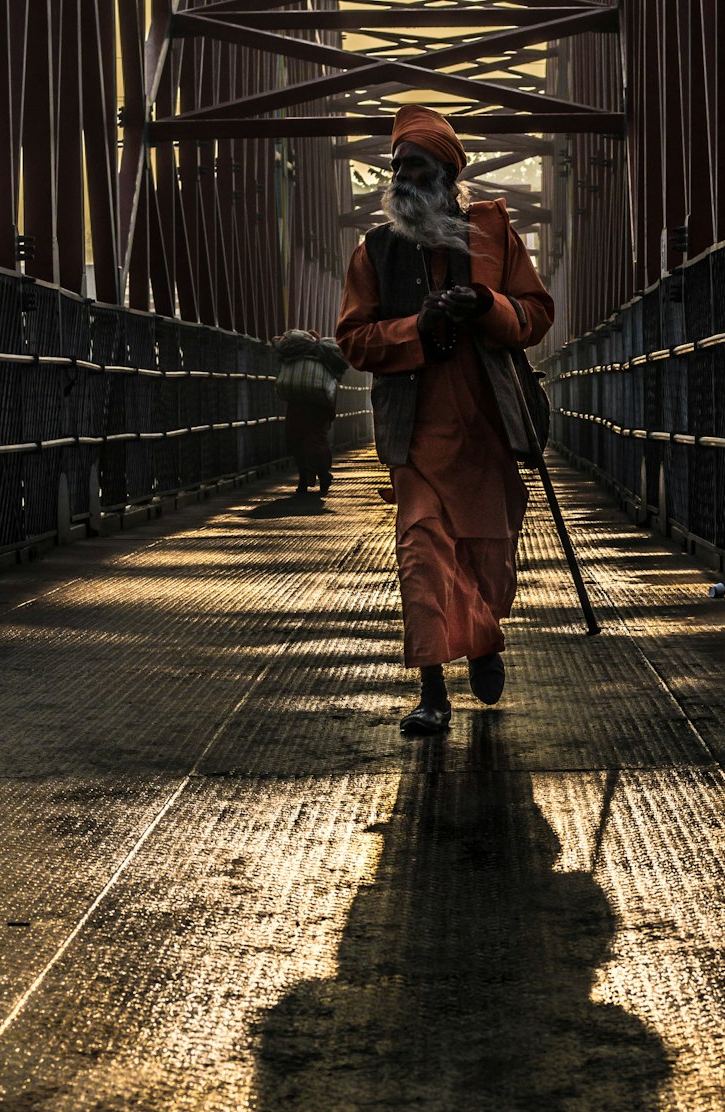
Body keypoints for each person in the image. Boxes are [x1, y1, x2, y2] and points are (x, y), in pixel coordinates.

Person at [336, 105, 554, 735]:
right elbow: (353, 340)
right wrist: (416, 327)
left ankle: (484, 643)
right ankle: (433, 692)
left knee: (488, 560)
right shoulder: (373, 252)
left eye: (418, 165)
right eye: (398, 165)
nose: (404, 174)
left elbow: (535, 314)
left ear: (448, 176)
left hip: (487, 433)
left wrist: (487, 303)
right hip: (417, 440)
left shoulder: (493, 236)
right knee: (423, 559)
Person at [273, 329, 348, 497]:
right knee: (316, 442)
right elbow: (331, 385)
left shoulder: (297, 355)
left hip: (297, 406)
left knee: (296, 440)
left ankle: (307, 480)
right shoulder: (325, 357)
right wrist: (331, 410)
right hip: (318, 407)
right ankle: (321, 476)